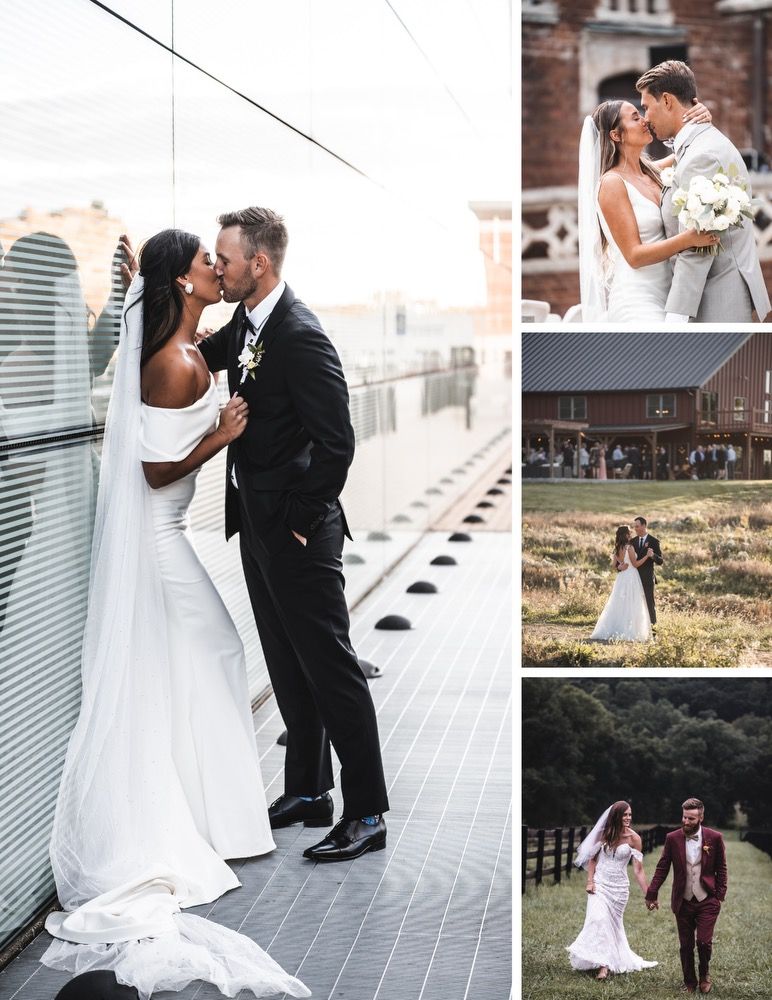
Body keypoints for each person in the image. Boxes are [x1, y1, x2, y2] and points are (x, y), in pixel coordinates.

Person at [41, 229, 309, 998]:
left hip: (169, 538)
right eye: (204, 263)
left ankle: (211, 816)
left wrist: (133, 278)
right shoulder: (171, 361)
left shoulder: (186, 345)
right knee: (222, 653)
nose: (215, 270)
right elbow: (153, 469)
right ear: (185, 283)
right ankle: (211, 824)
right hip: (162, 542)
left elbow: (172, 323)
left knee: (203, 663)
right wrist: (218, 440)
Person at [136, 207, 390, 863]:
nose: (217, 267)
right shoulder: (248, 323)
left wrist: (303, 522)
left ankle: (365, 812)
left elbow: (338, 444)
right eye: (211, 258)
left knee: (331, 669)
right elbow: (187, 348)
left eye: (224, 258)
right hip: (256, 521)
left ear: (260, 263)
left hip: (298, 530)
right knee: (286, 662)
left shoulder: (301, 336)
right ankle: (308, 790)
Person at [638, 60, 771, 322]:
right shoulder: (700, 144)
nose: (645, 118)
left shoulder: (702, 155)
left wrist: (676, 316)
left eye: (645, 107)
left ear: (666, 101)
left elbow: (700, 245)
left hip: (715, 299)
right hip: (713, 294)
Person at [578, 95, 717, 321]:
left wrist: (701, 119)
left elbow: (691, 150)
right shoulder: (612, 183)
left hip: (670, 296)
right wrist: (689, 239)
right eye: (635, 118)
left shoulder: (651, 171)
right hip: (637, 302)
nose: (644, 120)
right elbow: (634, 256)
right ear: (616, 135)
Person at [645, 798, 728, 995]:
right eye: (684, 817)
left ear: (701, 817)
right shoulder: (672, 838)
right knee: (686, 945)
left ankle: (705, 974)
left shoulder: (714, 838)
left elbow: (721, 868)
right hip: (683, 900)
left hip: (707, 899)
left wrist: (719, 895)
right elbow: (663, 867)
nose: (686, 821)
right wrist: (651, 893)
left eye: (691, 818)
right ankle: (689, 982)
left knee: (704, 942)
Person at [567, 801, 657, 980]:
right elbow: (592, 860)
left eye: (630, 815)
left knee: (613, 926)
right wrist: (590, 881)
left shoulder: (634, 839)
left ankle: (611, 958)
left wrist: (649, 893)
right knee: (599, 920)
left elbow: (638, 870)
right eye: (625, 815)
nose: (628, 818)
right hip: (600, 884)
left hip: (620, 889)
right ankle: (604, 966)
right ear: (616, 816)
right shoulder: (603, 834)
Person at [590, 525, 652, 642]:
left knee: (619, 602)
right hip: (632, 576)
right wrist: (647, 557)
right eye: (629, 532)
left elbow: (614, 566)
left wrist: (620, 566)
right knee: (632, 602)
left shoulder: (617, 548)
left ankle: (615, 628)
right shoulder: (629, 547)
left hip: (622, 577)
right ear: (626, 535)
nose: (631, 534)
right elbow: (636, 564)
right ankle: (629, 630)